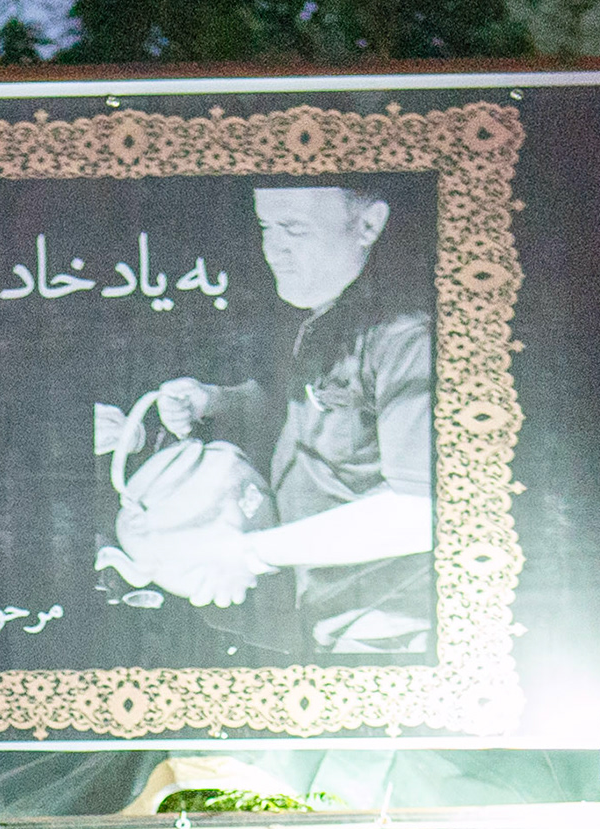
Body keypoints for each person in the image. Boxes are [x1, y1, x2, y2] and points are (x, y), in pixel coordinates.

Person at [126, 183, 435, 654]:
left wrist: (250, 554)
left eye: (295, 229)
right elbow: (312, 409)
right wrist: (215, 400)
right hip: (318, 611)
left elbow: (422, 512)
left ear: (368, 225)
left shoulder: (406, 339)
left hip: (385, 633)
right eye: (267, 227)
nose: (274, 251)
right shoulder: (327, 315)